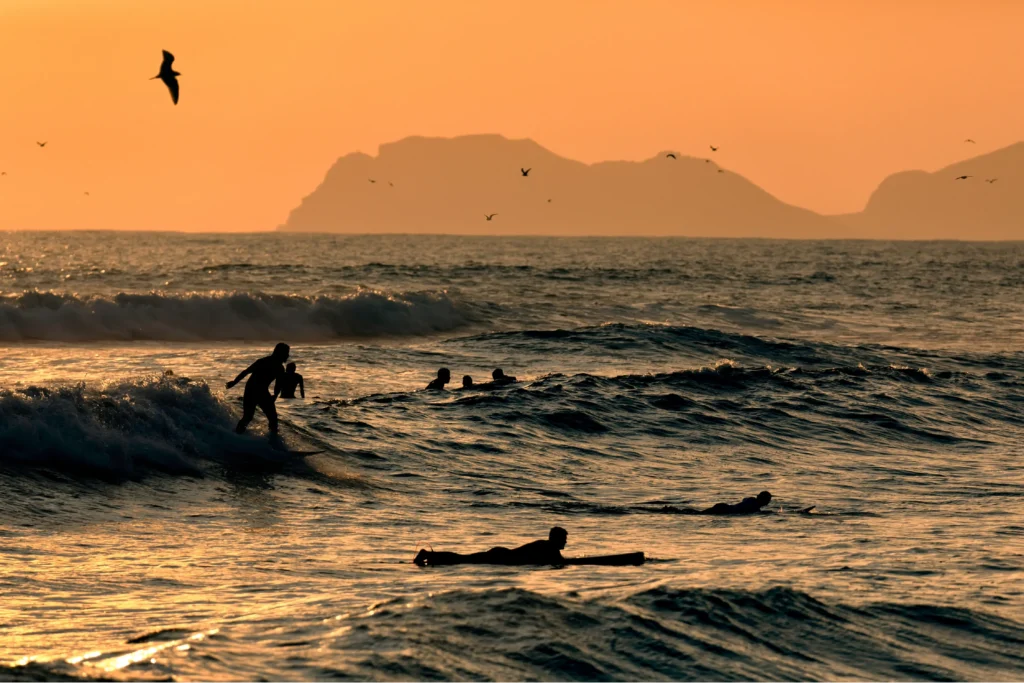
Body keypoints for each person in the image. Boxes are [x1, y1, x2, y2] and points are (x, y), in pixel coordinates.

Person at [414, 526, 567, 567]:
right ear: (556, 539)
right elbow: (563, 562)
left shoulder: (546, 546)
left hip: (500, 554)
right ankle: (428, 554)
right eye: (564, 539)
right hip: (501, 557)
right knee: (463, 560)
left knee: (464, 558)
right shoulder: (550, 549)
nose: (566, 542)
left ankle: (430, 556)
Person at [226, 342, 289, 434]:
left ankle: (273, 440)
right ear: (280, 353)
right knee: (248, 416)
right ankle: (237, 435)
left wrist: (274, 396)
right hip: (251, 391)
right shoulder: (263, 361)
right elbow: (246, 371)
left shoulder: (280, 368)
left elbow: (278, 385)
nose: (287, 355)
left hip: (262, 392)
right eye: (286, 353)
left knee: (273, 418)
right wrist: (234, 382)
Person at [659, 491, 773, 515]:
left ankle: (673, 510)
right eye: (768, 500)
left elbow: (744, 501)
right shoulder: (755, 508)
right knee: (698, 514)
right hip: (724, 510)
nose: (768, 503)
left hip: (724, 507)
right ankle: (672, 510)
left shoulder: (751, 500)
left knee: (698, 514)